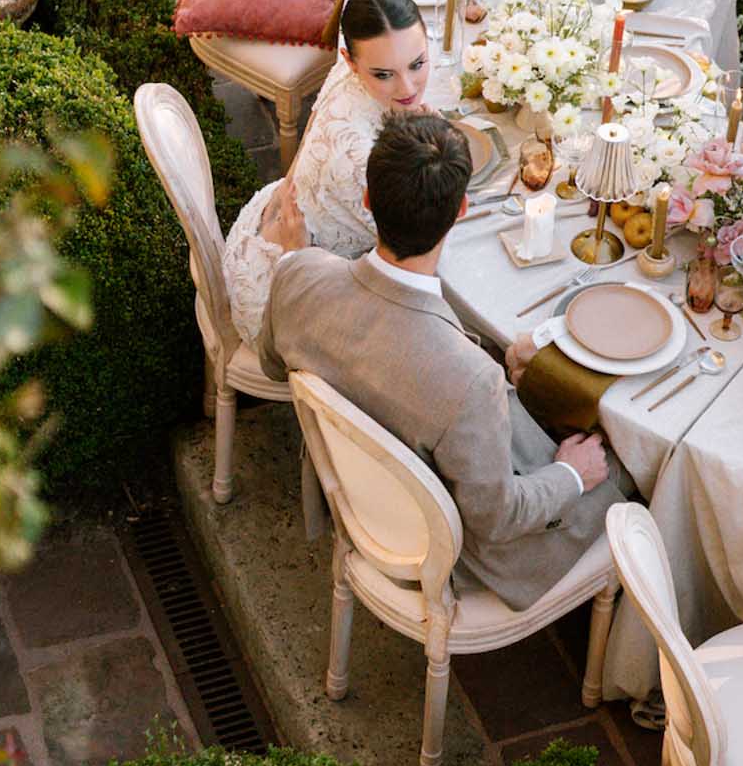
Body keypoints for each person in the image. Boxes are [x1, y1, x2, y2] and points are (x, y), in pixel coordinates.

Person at [259, 112, 625, 610]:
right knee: (632, 473)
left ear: (368, 200)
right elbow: (497, 518)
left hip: (366, 490)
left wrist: (300, 259)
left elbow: (271, 364)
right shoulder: (470, 380)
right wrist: (572, 475)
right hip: (457, 549)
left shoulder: (297, 274)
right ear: (461, 212)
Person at [223, 0, 429, 348]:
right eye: (384, 74)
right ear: (350, 61)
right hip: (282, 308)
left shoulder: (352, 65)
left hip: (272, 231)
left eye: (417, 63)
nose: (408, 86)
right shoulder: (357, 162)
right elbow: (415, 254)